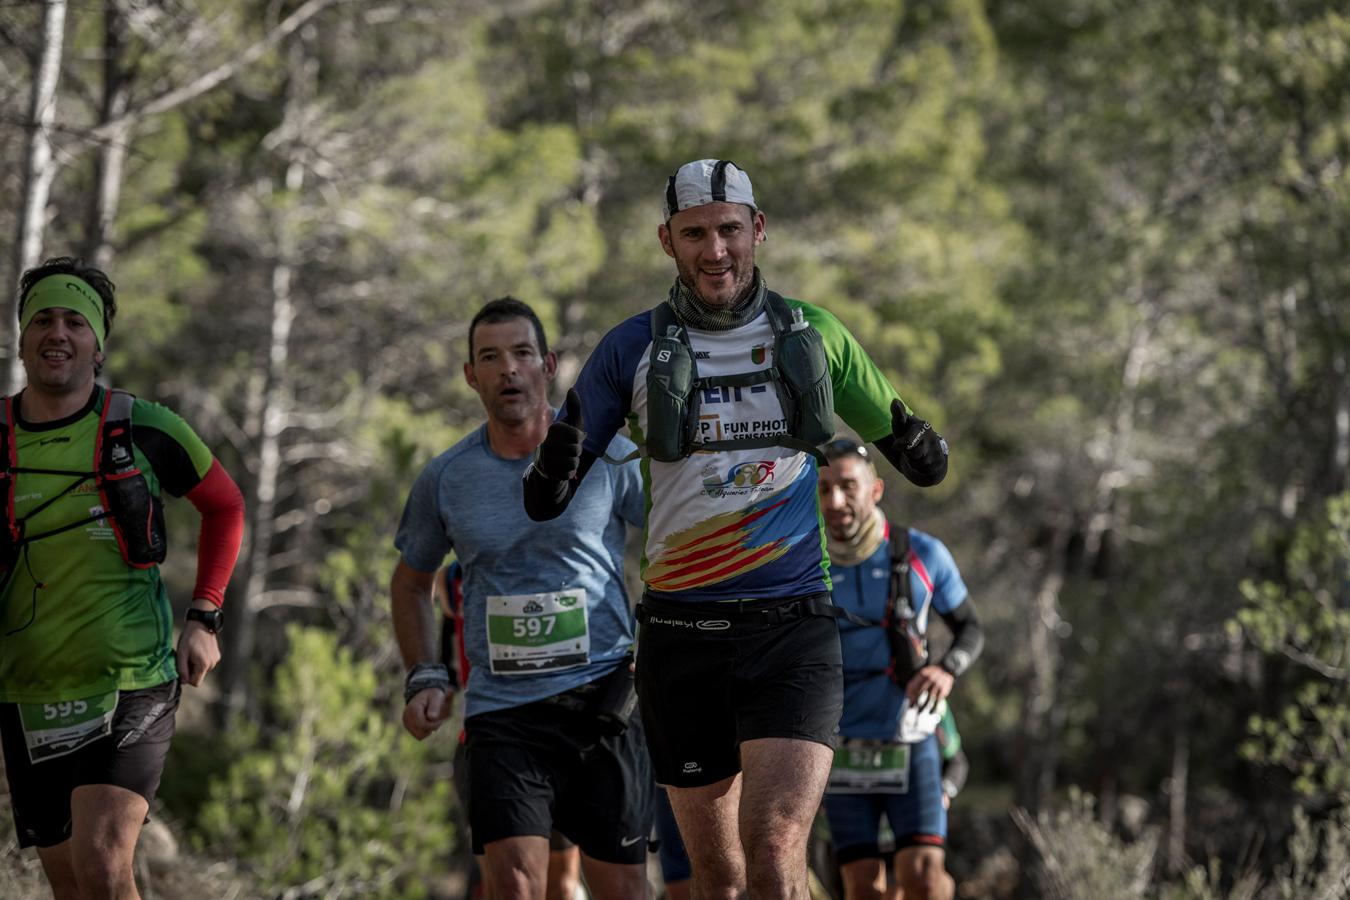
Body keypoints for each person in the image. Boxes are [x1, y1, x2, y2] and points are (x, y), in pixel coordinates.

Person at [523, 159, 951, 898]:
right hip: (682, 637)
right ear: (667, 241)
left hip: (792, 626)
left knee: (776, 848)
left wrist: (915, 441)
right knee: (717, 878)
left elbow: (915, 452)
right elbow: (545, 500)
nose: (714, 250)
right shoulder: (629, 349)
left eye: (728, 230)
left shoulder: (812, 333)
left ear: (758, 229)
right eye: (694, 234)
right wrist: (552, 466)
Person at [392, 297, 653, 900]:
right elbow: (410, 581)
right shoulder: (447, 477)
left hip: (604, 700)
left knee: (624, 890)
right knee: (513, 885)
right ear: (470, 376)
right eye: (490, 357)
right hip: (503, 713)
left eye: (521, 353)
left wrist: (660, 644)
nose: (508, 369)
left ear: (549, 365)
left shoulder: (607, 455)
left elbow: (674, 534)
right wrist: (425, 674)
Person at [0, 257, 246, 898]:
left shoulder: (144, 426)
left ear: (98, 345)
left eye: (74, 321)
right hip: (27, 691)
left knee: (104, 869)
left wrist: (204, 615)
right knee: (73, 889)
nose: (58, 333)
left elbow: (225, 505)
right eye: (43, 319)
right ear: (22, 338)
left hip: (131, 681)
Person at [816, 438, 983, 900]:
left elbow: (970, 627)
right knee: (864, 888)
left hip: (910, 741)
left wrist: (947, 668)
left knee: (924, 879)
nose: (835, 501)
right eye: (824, 488)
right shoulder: (803, 561)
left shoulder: (922, 554)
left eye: (849, 486)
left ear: (876, 490)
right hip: (840, 748)